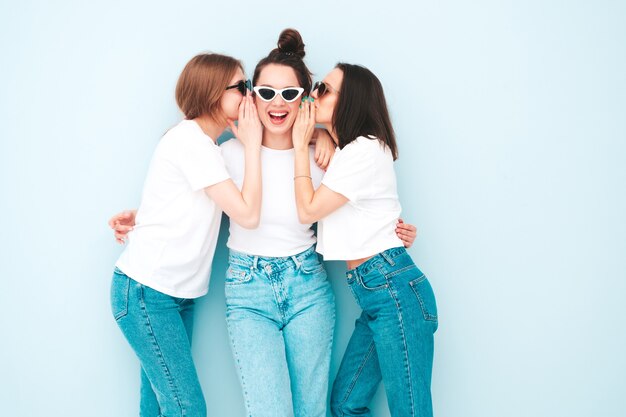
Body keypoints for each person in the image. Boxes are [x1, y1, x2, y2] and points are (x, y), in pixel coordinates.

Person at [109, 29, 418, 417]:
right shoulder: (222, 153)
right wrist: (141, 219)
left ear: (305, 99)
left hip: (308, 286)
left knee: (311, 411)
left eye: (290, 93)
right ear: (252, 96)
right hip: (247, 290)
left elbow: (364, 210)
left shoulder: (327, 157)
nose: (277, 102)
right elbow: (190, 201)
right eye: (265, 91)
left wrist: (397, 230)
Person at [110, 52, 262, 417]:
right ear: (213, 93)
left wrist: (143, 214)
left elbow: (182, 199)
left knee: (159, 407)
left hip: (173, 295)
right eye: (241, 87)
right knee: (186, 408)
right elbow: (247, 214)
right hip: (149, 293)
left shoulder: (201, 146)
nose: (249, 96)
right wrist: (253, 146)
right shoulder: (190, 142)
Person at [292, 63, 438, 417]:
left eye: (323, 89)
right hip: (378, 291)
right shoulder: (350, 150)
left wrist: (301, 148)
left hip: (392, 291)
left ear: (351, 99)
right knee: (345, 403)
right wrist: (320, 135)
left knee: (411, 411)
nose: (313, 95)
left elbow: (309, 209)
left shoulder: (365, 150)